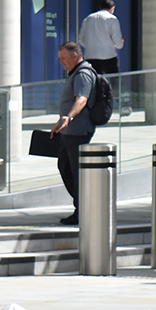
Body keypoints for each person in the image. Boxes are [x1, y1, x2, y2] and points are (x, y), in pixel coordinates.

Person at [50, 41, 99, 225]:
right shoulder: (74, 73)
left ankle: (83, 210)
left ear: (75, 57)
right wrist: (60, 121)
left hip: (77, 131)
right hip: (69, 130)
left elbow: (81, 100)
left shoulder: (83, 74)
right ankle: (83, 204)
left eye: (63, 59)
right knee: (65, 165)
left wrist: (68, 118)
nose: (61, 63)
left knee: (77, 172)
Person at [78, 0, 124, 75]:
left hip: (91, 55)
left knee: (94, 82)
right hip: (108, 55)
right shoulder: (112, 19)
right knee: (115, 81)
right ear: (112, 9)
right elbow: (117, 40)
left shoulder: (88, 18)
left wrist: (90, 46)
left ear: (100, 7)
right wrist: (118, 45)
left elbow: (81, 39)